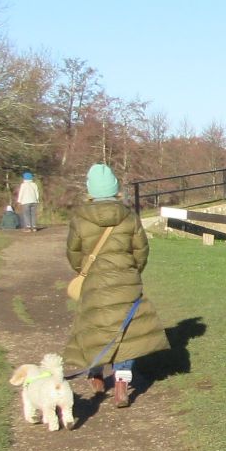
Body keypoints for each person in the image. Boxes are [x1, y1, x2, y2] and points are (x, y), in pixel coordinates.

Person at [64, 163, 166, 408]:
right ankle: (121, 385)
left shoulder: (79, 218)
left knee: (95, 329)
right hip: (126, 281)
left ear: (90, 189)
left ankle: (96, 376)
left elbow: (73, 253)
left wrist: (85, 272)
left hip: (95, 282)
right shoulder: (129, 217)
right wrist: (132, 272)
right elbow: (141, 251)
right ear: (115, 188)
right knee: (125, 334)